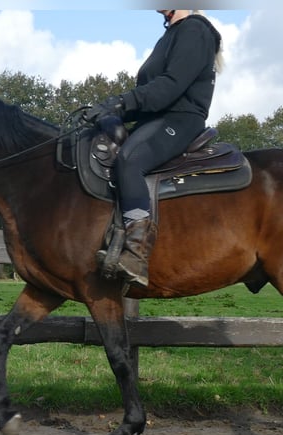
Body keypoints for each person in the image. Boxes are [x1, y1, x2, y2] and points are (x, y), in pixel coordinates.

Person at [85, 9, 223, 288]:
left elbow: (169, 87)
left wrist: (121, 103)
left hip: (180, 119)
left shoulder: (195, 30)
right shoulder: (171, 34)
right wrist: (112, 113)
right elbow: (151, 96)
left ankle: (136, 252)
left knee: (130, 160)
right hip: (156, 119)